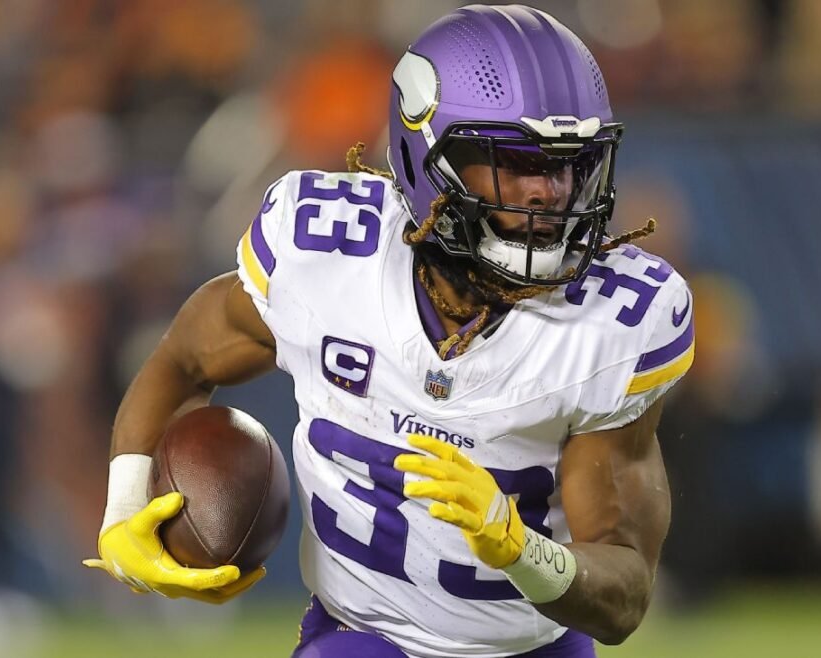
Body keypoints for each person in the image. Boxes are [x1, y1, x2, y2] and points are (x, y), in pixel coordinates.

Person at [83, 5, 694, 657]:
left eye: (570, 164)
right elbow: (184, 360)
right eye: (515, 160)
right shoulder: (324, 256)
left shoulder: (612, 323)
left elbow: (624, 594)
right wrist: (124, 507)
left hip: (535, 647)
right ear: (428, 156)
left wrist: (523, 551)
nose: (549, 192)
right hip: (365, 638)